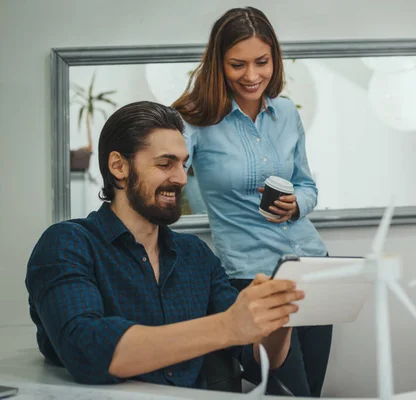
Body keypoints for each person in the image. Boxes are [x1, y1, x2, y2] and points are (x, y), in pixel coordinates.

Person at [24, 101, 304, 388]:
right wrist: (228, 326)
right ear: (119, 166)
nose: (182, 178)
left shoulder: (196, 255)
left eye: (184, 164)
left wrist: (278, 318)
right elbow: (87, 350)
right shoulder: (68, 244)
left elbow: (257, 361)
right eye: (165, 164)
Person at [172, 6, 332, 397]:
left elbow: (307, 185)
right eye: (237, 64)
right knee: (284, 391)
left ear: (274, 59)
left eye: (262, 62)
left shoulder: (286, 114)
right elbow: (168, 170)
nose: (251, 75)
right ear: (218, 64)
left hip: (310, 264)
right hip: (252, 275)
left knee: (312, 391)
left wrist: (297, 204)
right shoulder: (194, 120)